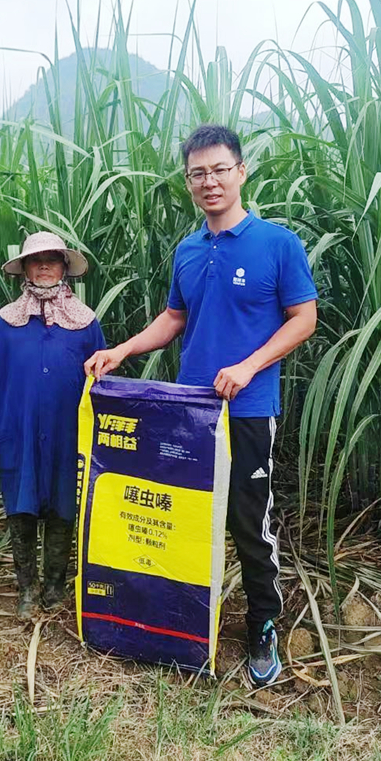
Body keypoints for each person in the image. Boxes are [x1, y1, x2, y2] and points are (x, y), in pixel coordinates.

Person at [84, 124, 317, 687]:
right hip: (187, 413)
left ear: (241, 171)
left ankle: (262, 626)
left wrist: (248, 366)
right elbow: (174, 319)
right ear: (187, 182)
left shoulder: (277, 244)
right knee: (183, 518)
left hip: (247, 411)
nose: (208, 181)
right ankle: (180, 622)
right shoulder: (189, 250)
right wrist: (121, 350)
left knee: (247, 524)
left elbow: (304, 319)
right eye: (197, 173)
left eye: (219, 169)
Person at [0, 230, 105, 615]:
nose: (44, 265)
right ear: (24, 270)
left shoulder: (85, 323)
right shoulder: (6, 323)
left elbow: (102, 383)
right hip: (19, 434)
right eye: (35, 259)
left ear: (65, 267)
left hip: (69, 436)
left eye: (52, 258)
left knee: (64, 508)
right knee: (22, 507)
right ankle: (27, 588)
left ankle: (55, 587)